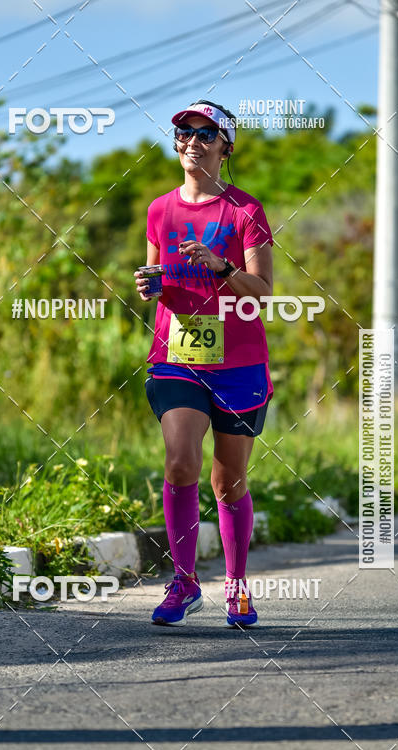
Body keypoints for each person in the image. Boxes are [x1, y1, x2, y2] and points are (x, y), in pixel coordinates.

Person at [134, 100, 274, 628]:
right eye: (183, 132)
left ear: (224, 145)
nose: (191, 140)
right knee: (179, 463)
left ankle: (237, 586)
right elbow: (157, 283)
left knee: (228, 481)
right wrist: (152, 285)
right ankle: (184, 583)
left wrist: (222, 267)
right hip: (176, 356)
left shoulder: (246, 211)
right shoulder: (159, 209)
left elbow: (260, 293)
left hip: (238, 361)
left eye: (203, 132)